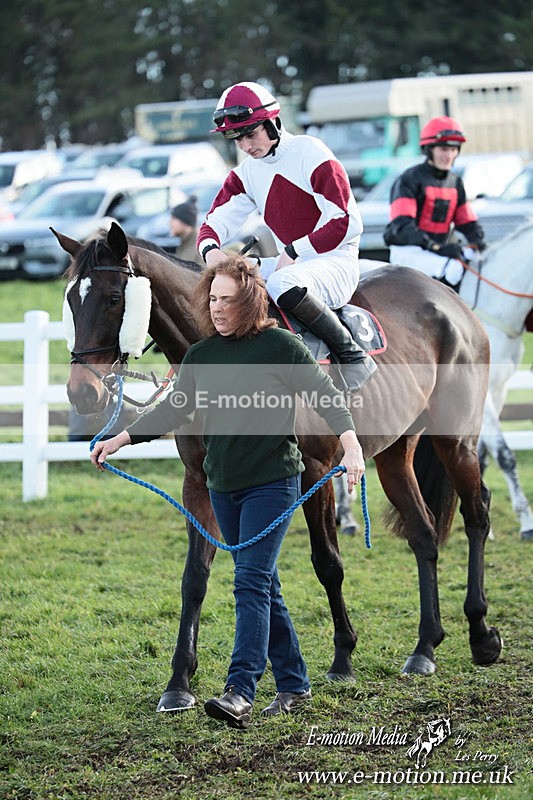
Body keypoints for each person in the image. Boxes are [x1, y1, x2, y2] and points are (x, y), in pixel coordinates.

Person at [90, 254, 365, 730]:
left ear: (250, 300)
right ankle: (295, 682)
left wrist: (352, 448)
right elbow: (174, 409)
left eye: (227, 300)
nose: (216, 309)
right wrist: (121, 437)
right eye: (212, 299)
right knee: (263, 583)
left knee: (249, 583)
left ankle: (240, 689)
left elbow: (328, 398)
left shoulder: (281, 346)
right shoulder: (201, 357)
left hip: (273, 485)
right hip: (223, 487)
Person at [196, 81, 377, 392]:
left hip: (335, 262)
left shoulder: (311, 152)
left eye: (250, 134)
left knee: (281, 282)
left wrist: (294, 251)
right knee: (235, 280)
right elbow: (213, 224)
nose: (245, 145)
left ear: (272, 123)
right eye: (237, 139)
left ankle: (352, 356)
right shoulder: (247, 171)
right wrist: (211, 251)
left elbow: (348, 222)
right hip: (292, 265)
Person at [383, 115, 486, 290]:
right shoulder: (409, 179)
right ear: (429, 149)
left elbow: (467, 222)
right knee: (453, 270)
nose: (449, 155)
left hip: (438, 253)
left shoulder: (455, 182)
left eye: (454, 150)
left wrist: (479, 241)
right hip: (409, 250)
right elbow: (403, 226)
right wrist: (435, 246)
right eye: (444, 149)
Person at [169, 195, 203, 265]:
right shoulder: (186, 242)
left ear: (185, 221)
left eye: (174, 219)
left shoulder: (199, 248)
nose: (170, 223)